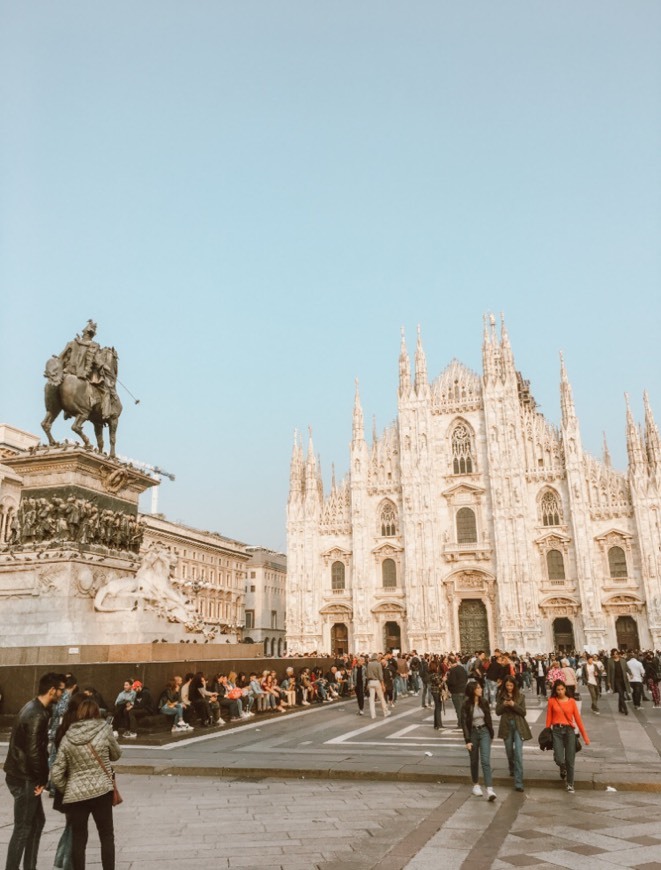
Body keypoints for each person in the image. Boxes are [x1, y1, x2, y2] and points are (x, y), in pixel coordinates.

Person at [50, 698, 121, 870]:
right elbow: (116, 754)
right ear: (97, 712)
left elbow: (56, 772)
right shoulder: (104, 730)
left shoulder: (68, 736)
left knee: (79, 837)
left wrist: (69, 787)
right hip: (102, 792)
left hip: (76, 795)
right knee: (106, 835)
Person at [5, 672, 66, 870]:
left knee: (37, 822)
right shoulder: (37, 714)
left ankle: (30, 866)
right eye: (61, 691)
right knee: (23, 827)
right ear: (52, 690)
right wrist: (42, 779)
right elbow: (34, 751)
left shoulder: (33, 707)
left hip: (22, 774)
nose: (62, 695)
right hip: (25, 777)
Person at [545, 679, 589, 793]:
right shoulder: (552, 701)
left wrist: (585, 736)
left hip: (569, 731)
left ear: (565, 689)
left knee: (570, 759)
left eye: (562, 689)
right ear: (555, 690)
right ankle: (562, 767)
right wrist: (546, 731)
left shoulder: (571, 701)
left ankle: (570, 784)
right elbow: (548, 717)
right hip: (556, 731)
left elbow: (578, 719)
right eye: (558, 689)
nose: (560, 691)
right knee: (559, 758)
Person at [495, 676, 532, 792]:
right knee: (509, 751)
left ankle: (519, 782)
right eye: (507, 686)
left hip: (518, 726)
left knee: (518, 754)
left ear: (514, 686)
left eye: (511, 686)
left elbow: (523, 712)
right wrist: (504, 705)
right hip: (506, 726)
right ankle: (511, 767)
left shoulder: (520, 696)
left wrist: (514, 705)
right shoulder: (501, 696)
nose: (509, 688)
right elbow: (497, 712)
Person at [461, 681, 496, 801]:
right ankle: (475, 784)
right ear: (473, 690)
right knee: (474, 760)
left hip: (484, 731)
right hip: (473, 733)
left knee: (486, 760)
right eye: (478, 688)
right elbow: (464, 723)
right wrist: (467, 740)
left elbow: (489, 718)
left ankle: (490, 789)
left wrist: (491, 733)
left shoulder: (484, 702)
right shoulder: (466, 704)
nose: (481, 689)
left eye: (480, 687)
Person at [366, 653, 390, 719]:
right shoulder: (378, 664)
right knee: (381, 697)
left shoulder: (369, 664)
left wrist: (368, 683)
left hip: (370, 682)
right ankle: (385, 712)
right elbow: (380, 676)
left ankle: (373, 715)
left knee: (371, 699)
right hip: (377, 682)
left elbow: (367, 674)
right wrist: (383, 685)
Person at [607, 650, 631, 715]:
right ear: (612, 655)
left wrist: (630, 673)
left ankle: (620, 708)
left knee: (622, 694)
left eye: (616, 654)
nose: (615, 655)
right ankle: (625, 709)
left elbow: (627, 668)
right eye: (614, 654)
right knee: (621, 693)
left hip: (623, 679)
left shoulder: (623, 660)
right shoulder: (610, 661)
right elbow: (608, 672)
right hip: (616, 680)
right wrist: (608, 681)